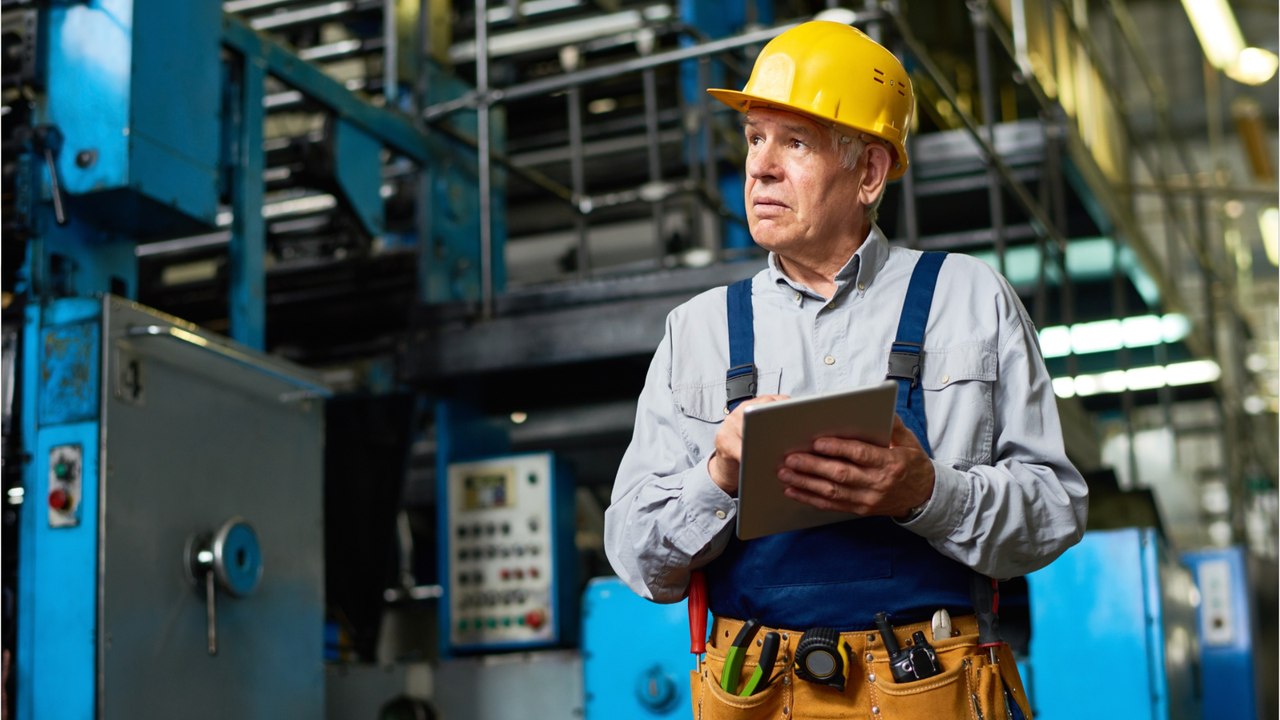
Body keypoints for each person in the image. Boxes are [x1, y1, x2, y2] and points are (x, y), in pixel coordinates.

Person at [603, 20, 1088, 720]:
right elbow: (637, 559)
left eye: (793, 142)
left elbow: (1055, 510)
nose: (760, 167)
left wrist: (928, 492)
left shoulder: (969, 300)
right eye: (754, 137)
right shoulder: (698, 332)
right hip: (759, 693)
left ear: (868, 172)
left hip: (929, 687)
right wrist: (718, 480)